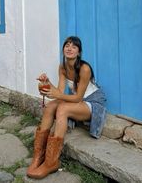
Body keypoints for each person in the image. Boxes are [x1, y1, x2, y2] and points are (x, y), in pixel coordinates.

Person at [27, 36, 107, 179]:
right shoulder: (62, 67)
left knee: (63, 109)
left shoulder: (85, 68)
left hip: (92, 102)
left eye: (74, 47)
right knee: (51, 106)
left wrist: (56, 93)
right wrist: (47, 83)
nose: (69, 48)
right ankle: (39, 155)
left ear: (79, 52)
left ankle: (51, 162)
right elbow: (60, 92)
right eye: (67, 45)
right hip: (78, 101)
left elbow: (77, 97)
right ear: (63, 49)